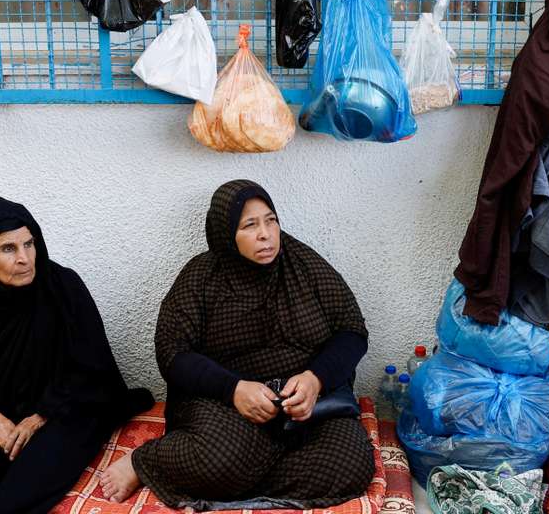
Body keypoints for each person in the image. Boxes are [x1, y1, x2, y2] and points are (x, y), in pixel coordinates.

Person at [100, 180, 374, 508]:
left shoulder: (303, 264)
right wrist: (233, 389)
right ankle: (146, 461)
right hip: (226, 409)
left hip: (306, 407)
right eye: (250, 225)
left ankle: (231, 478)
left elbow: (352, 331)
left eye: (271, 220)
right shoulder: (201, 276)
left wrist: (315, 380)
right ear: (226, 232)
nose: (266, 234)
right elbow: (172, 353)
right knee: (221, 457)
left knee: (350, 463)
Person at [0, 197, 152, 514]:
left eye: (29, 244)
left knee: (10, 504)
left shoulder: (62, 288)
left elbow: (92, 369)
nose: (25, 258)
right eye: (8, 248)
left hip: (65, 409)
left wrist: (38, 418)